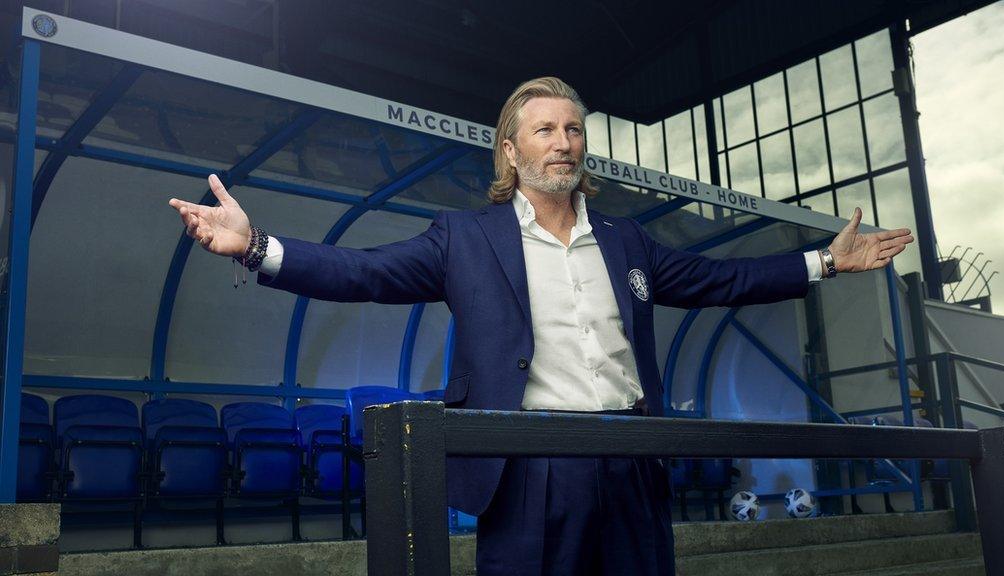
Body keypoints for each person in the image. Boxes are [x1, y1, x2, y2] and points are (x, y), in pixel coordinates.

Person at [169, 77, 913, 575]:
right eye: (545, 131)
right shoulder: (463, 238)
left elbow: (721, 280)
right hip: (530, 467)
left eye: (574, 130)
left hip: (633, 459)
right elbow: (365, 272)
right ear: (511, 150)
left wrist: (824, 263)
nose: (562, 143)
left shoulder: (627, 241)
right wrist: (258, 245)